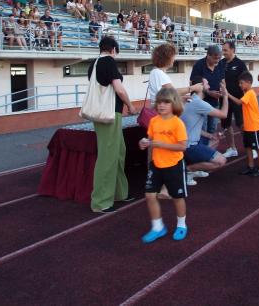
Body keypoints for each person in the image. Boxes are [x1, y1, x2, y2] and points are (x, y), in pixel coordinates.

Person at [88, 37, 136, 213]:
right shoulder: (108, 61)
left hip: (105, 113)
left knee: (118, 152)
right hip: (109, 114)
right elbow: (119, 89)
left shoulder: (94, 64)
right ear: (113, 50)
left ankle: (118, 192)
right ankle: (100, 201)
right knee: (108, 156)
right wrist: (130, 105)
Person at [138, 87, 188, 243]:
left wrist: (161, 144)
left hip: (174, 165)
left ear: (174, 104)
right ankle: (158, 227)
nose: (161, 105)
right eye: (159, 102)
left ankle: (181, 225)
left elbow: (183, 146)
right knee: (149, 195)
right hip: (156, 164)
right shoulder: (154, 121)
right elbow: (150, 140)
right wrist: (143, 143)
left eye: (166, 102)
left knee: (177, 197)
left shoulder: (177, 123)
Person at [180, 78, 229, 185]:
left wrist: (210, 135)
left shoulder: (189, 100)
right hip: (189, 146)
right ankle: (188, 170)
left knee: (214, 140)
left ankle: (194, 166)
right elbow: (223, 114)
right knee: (221, 161)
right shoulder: (198, 103)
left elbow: (191, 126)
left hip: (183, 142)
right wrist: (225, 96)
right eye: (206, 84)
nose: (209, 86)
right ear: (199, 86)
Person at [226, 72, 259, 177]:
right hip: (248, 126)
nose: (240, 85)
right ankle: (251, 167)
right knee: (248, 147)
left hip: (255, 126)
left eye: (241, 83)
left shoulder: (250, 93)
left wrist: (228, 94)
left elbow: (239, 102)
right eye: (239, 83)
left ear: (249, 82)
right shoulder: (246, 93)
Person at [189, 45, 225, 145]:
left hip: (214, 102)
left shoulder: (220, 64)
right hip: (201, 103)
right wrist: (209, 92)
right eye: (215, 58)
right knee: (202, 128)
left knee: (212, 128)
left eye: (219, 58)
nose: (217, 61)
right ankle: (201, 148)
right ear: (208, 55)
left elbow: (222, 80)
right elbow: (194, 84)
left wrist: (222, 91)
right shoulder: (199, 65)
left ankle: (209, 150)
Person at [217, 41, 248, 158]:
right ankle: (232, 148)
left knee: (242, 124)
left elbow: (247, 82)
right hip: (224, 99)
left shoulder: (240, 64)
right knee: (226, 124)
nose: (223, 52)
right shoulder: (221, 63)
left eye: (225, 50)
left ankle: (250, 147)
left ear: (233, 50)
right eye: (222, 50)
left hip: (237, 99)